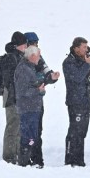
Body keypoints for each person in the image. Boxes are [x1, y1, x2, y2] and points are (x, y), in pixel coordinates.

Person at [23, 31, 59, 166]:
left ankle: (37, 158)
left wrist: (52, 77)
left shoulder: (38, 57)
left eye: (36, 43)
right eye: (32, 43)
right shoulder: (22, 61)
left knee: (37, 131)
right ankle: (26, 158)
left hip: (37, 101)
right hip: (25, 102)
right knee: (27, 132)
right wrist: (42, 80)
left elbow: (45, 71)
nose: (35, 45)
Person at [14, 45, 51, 167]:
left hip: (33, 108)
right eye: (39, 56)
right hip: (27, 109)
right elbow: (22, 91)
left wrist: (40, 90)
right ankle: (24, 163)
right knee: (28, 137)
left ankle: (29, 161)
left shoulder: (31, 67)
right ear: (32, 56)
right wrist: (38, 90)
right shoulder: (24, 69)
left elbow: (33, 87)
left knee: (32, 136)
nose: (40, 58)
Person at [62, 36, 90, 166]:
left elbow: (86, 79)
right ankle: (70, 159)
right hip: (75, 101)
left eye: (87, 47)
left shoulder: (83, 61)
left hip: (85, 100)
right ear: (76, 49)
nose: (87, 50)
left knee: (82, 131)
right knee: (75, 131)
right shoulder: (69, 62)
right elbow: (77, 78)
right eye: (84, 47)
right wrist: (87, 64)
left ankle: (79, 159)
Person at [0, 31, 28, 164]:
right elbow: (11, 80)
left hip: (19, 98)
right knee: (12, 127)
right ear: (18, 45)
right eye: (24, 44)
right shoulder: (11, 58)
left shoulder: (20, 57)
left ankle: (16, 154)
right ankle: (9, 157)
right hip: (12, 98)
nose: (26, 46)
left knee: (18, 128)